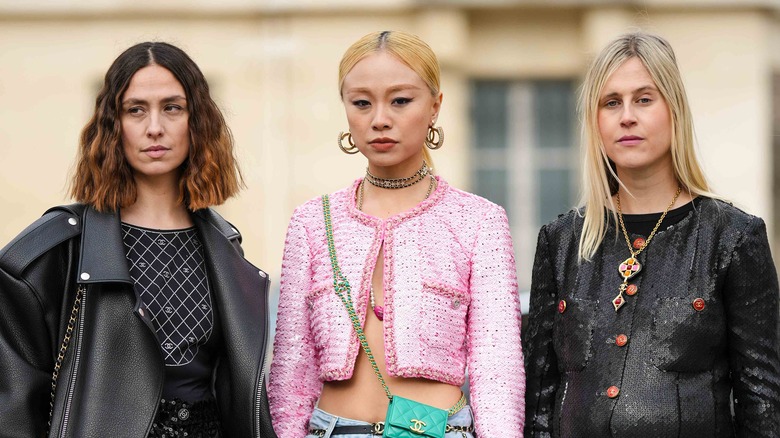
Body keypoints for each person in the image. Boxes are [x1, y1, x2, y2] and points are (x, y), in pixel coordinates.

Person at [0, 42, 276, 437]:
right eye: (136, 110)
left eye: (172, 107)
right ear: (114, 125)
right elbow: (11, 404)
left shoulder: (224, 245)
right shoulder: (53, 249)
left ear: (196, 121)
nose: (154, 128)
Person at [268, 30, 525, 438]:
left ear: (436, 106)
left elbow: (497, 365)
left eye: (400, 100)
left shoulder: (478, 220)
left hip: (439, 432)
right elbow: (290, 371)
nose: (380, 119)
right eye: (362, 103)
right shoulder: (313, 221)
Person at [523, 32, 780, 437]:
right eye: (611, 102)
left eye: (644, 99)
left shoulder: (734, 237)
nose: (627, 116)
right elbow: (538, 402)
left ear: (674, 109)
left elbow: (763, 403)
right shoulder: (560, 241)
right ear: (596, 121)